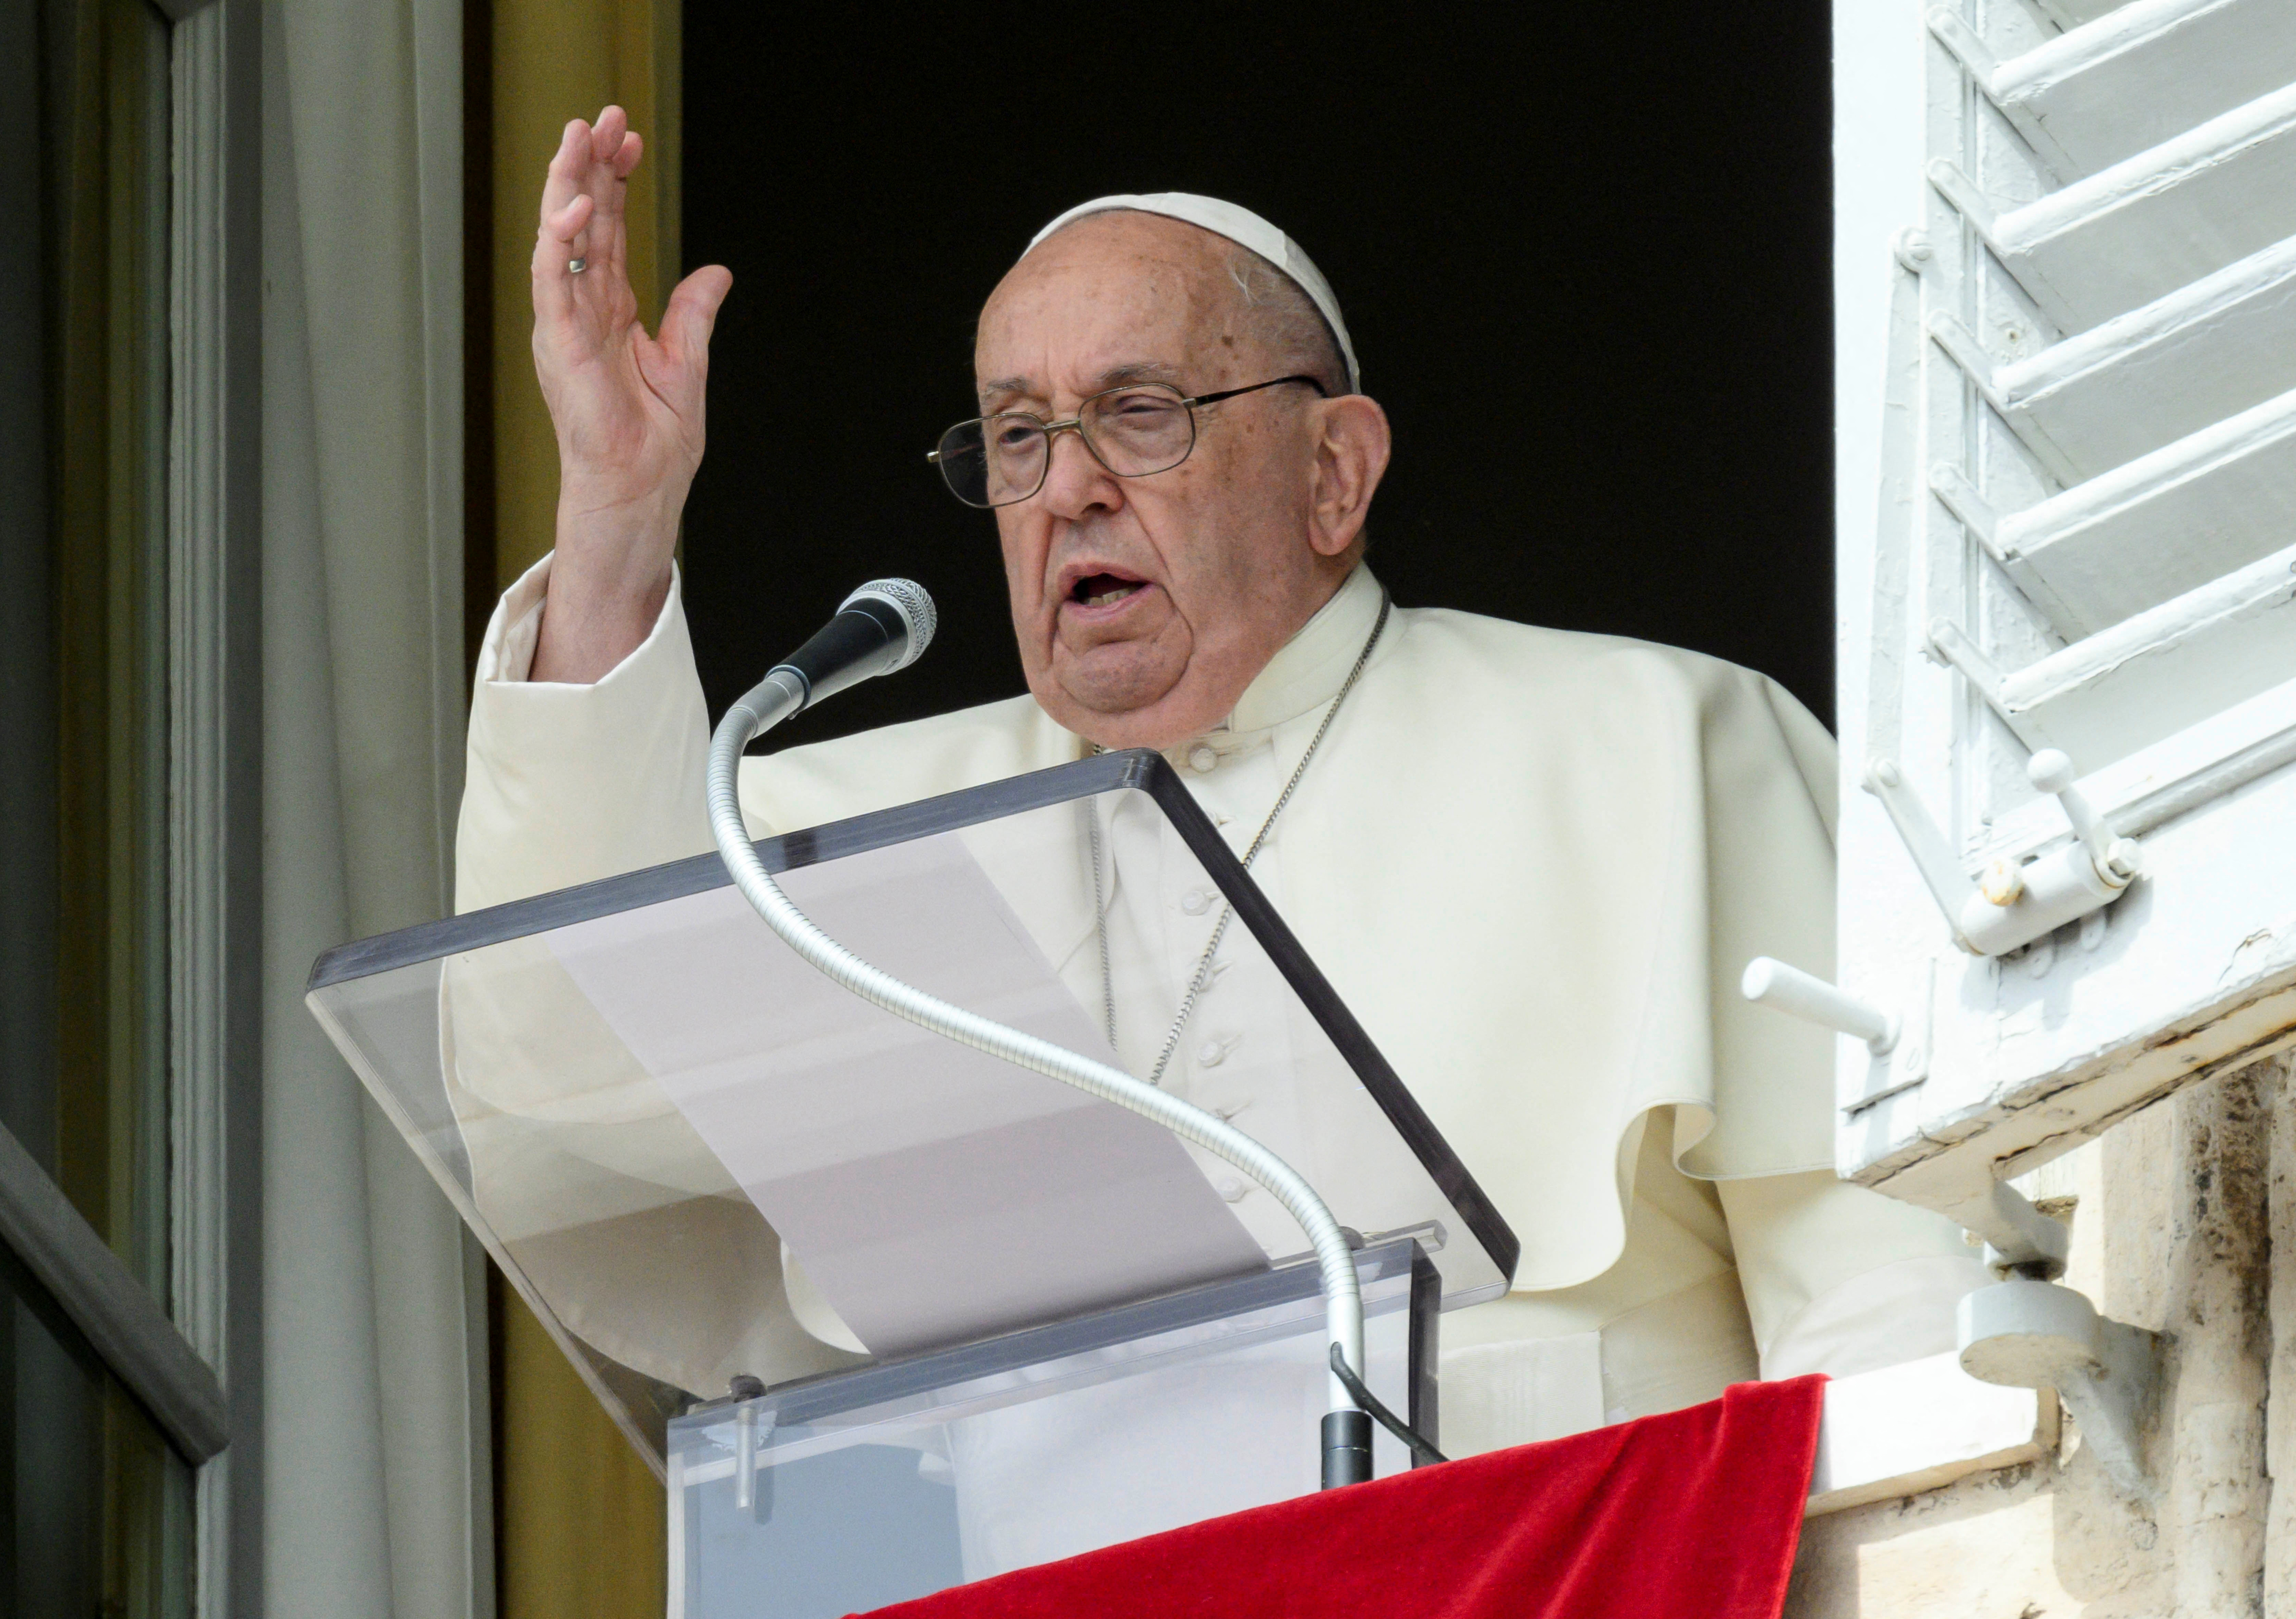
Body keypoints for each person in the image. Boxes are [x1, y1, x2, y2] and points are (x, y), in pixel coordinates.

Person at [452, 105, 1984, 1464]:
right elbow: (552, 1063)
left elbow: (1881, 1278)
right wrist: (616, 521)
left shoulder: (1656, 739)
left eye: (1139, 411)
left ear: (1335, 473)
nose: (1066, 487)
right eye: (1014, 436)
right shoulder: (842, 833)